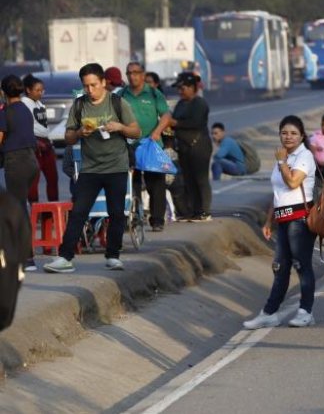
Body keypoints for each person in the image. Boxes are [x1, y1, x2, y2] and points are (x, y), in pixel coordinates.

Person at [43, 63, 141, 273]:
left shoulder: (117, 103)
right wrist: (79, 133)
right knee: (78, 212)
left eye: (94, 85)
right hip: (90, 169)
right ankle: (65, 257)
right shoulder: (79, 105)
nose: (90, 90)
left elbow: (136, 131)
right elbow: (67, 137)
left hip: (116, 167)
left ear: (104, 83)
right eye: (86, 86)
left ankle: (113, 256)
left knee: (117, 213)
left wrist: (120, 127)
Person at [243, 115, 319, 329]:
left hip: (300, 219)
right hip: (283, 217)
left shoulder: (305, 156)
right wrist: (269, 221)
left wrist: (281, 162)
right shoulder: (283, 156)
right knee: (280, 267)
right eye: (284, 132)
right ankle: (269, 313)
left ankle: (306, 311)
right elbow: (277, 192)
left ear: (302, 136)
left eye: (294, 133)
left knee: (302, 265)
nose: (288, 137)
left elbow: (293, 182)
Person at [118, 62, 171, 232]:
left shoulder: (154, 94)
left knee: (155, 183)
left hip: (151, 144)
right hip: (129, 144)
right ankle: (132, 217)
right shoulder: (121, 94)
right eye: (129, 73)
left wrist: (157, 132)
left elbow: (166, 115)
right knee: (129, 183)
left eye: (136, 72)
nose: (132, 76)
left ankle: (157, 220)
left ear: (142, 74)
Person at [153, 72, 213, 222]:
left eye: (183, 88)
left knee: (200, 179)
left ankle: (204, 211)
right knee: (188, 180)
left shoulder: (199, 103)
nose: (180, 91)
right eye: (179, 89)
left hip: (199, 146)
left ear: (193, 88)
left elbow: (196, 123)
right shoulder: (181, 103)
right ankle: (193, 211)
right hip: (184, 146)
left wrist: (175, 123)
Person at [1, 75, 39, 270]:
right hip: (31, 161)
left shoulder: (6, 112)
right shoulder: (25, 109)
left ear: (3, 92)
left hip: (16, 163)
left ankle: (27, 258)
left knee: (18, 210)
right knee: (21, 206)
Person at [22, 75, 59, 204]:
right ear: (28, 90)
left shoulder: (39, 102)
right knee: (34, 180)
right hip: (35, 143)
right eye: (37, 90)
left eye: (42, 90)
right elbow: (24, 126)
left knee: (53, 178)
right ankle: (35, 209)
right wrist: (34, 141)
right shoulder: (24, 103)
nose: (40, 93)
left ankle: (53, 207)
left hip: (46, 141)